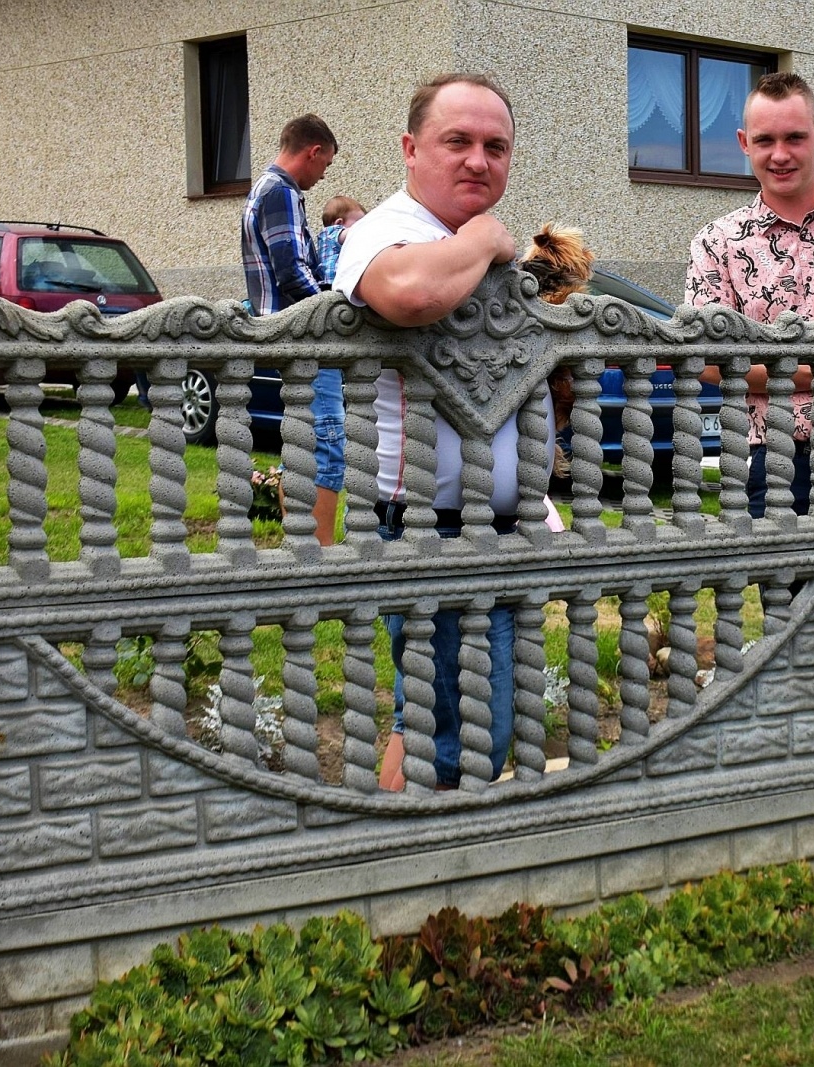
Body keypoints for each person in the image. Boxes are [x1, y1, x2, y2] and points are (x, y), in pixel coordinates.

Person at [332, 73, 553, 790]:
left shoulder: (457, 240)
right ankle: (417, 870)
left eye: (496, 146)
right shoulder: (385, 230)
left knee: (439, 721)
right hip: (433, 530)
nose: (478, 160)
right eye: (456, 141)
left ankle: (391, 859)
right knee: (461, 738)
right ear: (410, 147)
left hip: (500, 525)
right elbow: (409, 293)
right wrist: (488, 238)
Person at [686, 72, 814, 516]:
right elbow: (709, 362)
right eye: (766, 140)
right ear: (745, 143)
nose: (780, 155)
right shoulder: (718, 241)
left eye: (795, 138)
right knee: (792, 586)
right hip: (783, 462)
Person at [241, 113, 345, 546]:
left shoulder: (263, 188)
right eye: (326, 165)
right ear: (313, 151)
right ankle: (315, 553)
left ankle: (299, 542)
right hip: (303, 334)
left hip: (285, 332)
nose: (323, 176)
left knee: (304, 441)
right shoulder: (281, 191)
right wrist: (330, 308)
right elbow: (290, 271)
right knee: (328, 445)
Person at [315, 194, 365, 285]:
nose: (361, 226)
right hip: (332, 281)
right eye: (359, 223)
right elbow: (351, 233)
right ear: (339, 223)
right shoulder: (330, 233)